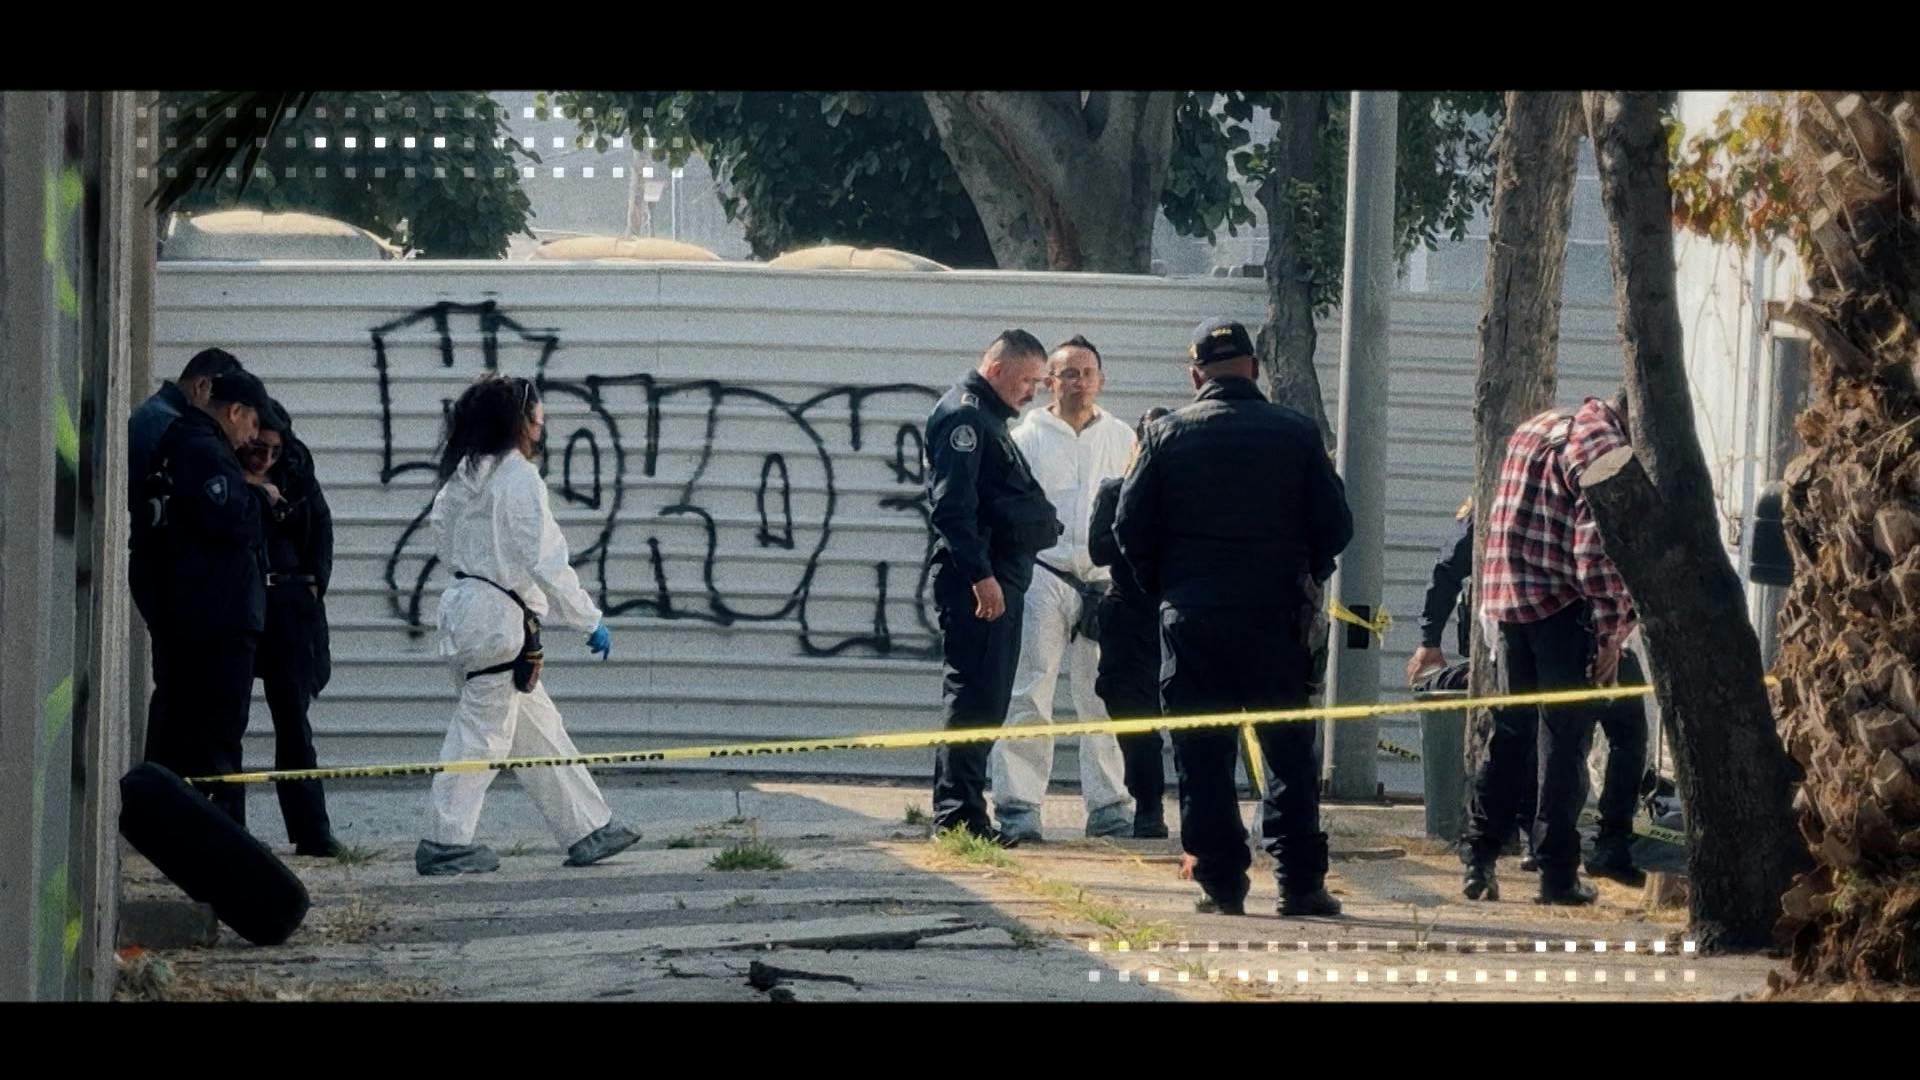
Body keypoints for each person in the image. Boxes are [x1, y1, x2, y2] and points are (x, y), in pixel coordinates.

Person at [1115, 319, 1353, 917]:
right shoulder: (1296, 432)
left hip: (1194, 620)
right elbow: (1337, 525)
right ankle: (1300, 883)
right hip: (1278, 618)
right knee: (1288, 754)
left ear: (1196, 376)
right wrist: (1306, 575)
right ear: (1253, 367)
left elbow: (1128, 528)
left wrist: (1168, 588)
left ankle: (1222, 882)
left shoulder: (1166, 435)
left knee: (1202, 752)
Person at [416, 374, 641, 876]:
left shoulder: (462, 476)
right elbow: (545, 559)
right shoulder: (517, 478)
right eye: (537, 414)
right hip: (499, 623)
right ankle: (445, 841)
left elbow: (445, 541)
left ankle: (588, 828)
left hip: (471, 611)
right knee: (481, 733)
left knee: (538, 732)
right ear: (519, 421)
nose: (543, 423)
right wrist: (588, 620)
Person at [1408, 497, 1649, 885]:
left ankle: (1491, 851)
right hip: (1578, 628)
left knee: (1520, 734)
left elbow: (1449, 563)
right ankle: (1594, 848)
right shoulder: (1583, 469)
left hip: (1511, 630)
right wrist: (1612, 633)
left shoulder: (1508, 482)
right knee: (1579, 738)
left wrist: (1429, 637)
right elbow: (1607, 562)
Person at [1460, 392, 1640, 906]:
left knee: (1511, 732)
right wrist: (1610, 634)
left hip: (1510, 602)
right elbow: (1594, 549)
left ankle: (1478, 857)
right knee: (1564, 743)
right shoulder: (1603, 444)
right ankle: (1557, 873)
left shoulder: (1538, 425)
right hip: (1563, 607)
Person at [989, 336, 1137, 843]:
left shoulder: (1123, 438)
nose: (1078, 382)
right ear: (1050, 382)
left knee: (1103, 698)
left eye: (1087, 372)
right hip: (1043, 576)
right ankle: (1018, 806)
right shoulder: (1026, 436)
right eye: (1067, 373)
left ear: (1102, 379)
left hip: (1103, 581)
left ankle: (1110, 804)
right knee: (1031, 690)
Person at [923, 330, 1062, 844]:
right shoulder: (966, 418)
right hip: (978, 582)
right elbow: (952, 508)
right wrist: (982, 577)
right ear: (998, 369)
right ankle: (957, 816)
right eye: (1028, 380)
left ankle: (966, 813)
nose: (1033, 392)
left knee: (989, 697)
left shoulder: (986, 418)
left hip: (997, 576)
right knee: (975, 696)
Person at [139, 367, 275, 826]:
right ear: (233, 411)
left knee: (186, 727)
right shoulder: (203, 450)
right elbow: (231, 522)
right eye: (253, 423)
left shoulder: (182, 444)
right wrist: (258, 499)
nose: (253, 437)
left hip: (199, 611)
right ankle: (224, 840)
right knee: (218, 738)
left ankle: (175, 825)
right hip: (217, 615)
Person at [129, 347, 244, 759]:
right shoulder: (169, 426)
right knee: (180, 696)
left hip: (166, 575)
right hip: (172, 579)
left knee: (177, 693)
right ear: (202, 387)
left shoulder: (157, 420)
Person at [241, 399, 342, 858]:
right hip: (240, 606)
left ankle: (311, 831)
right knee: (227, 722)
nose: (264, 459)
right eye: (257, 449)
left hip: (289, 608)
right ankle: (230, 832)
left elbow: (321, 526)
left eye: (274, 452)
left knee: (293, 725)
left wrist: (315, 584)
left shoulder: (297, 471)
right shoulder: (221, 466)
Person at [1090, 406, 1174, 839]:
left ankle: (1203, 808)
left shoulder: (1190, 496)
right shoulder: (1114, 491)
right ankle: (1148, 806)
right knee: (1134, 718)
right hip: (1129, 615)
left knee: (1195, 718)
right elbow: (1099, 549)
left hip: (1178, 613)